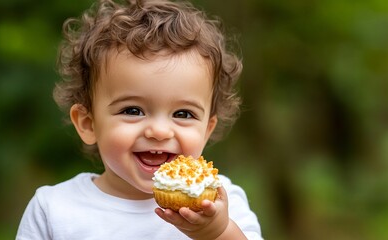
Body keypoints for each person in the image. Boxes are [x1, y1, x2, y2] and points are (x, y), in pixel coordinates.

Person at [16, 0, 263, 239]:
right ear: (88, 124)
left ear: (207, 130)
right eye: (133, 111)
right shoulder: (54, 210)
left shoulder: (219, 202)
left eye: (183, 114)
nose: (159, 131)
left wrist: (218, 234)